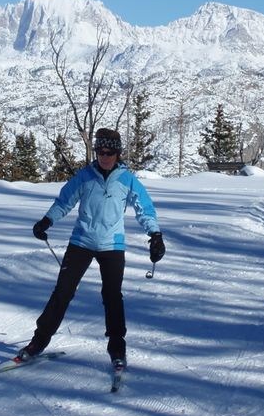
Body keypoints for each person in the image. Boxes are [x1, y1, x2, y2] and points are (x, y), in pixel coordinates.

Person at [18, 128, 165, 369]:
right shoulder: (84, 177)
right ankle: (38, 342)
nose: (104, 157)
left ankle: (117, 348)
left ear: (117, 154)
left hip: (112, 245)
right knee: (62, 292)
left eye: (109, 152)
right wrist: (47, 220)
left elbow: (145, 209)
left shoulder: (128, 180)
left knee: (112, 296)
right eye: (100, 152)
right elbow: (64, 201)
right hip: (81, 242)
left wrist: (155, 234)